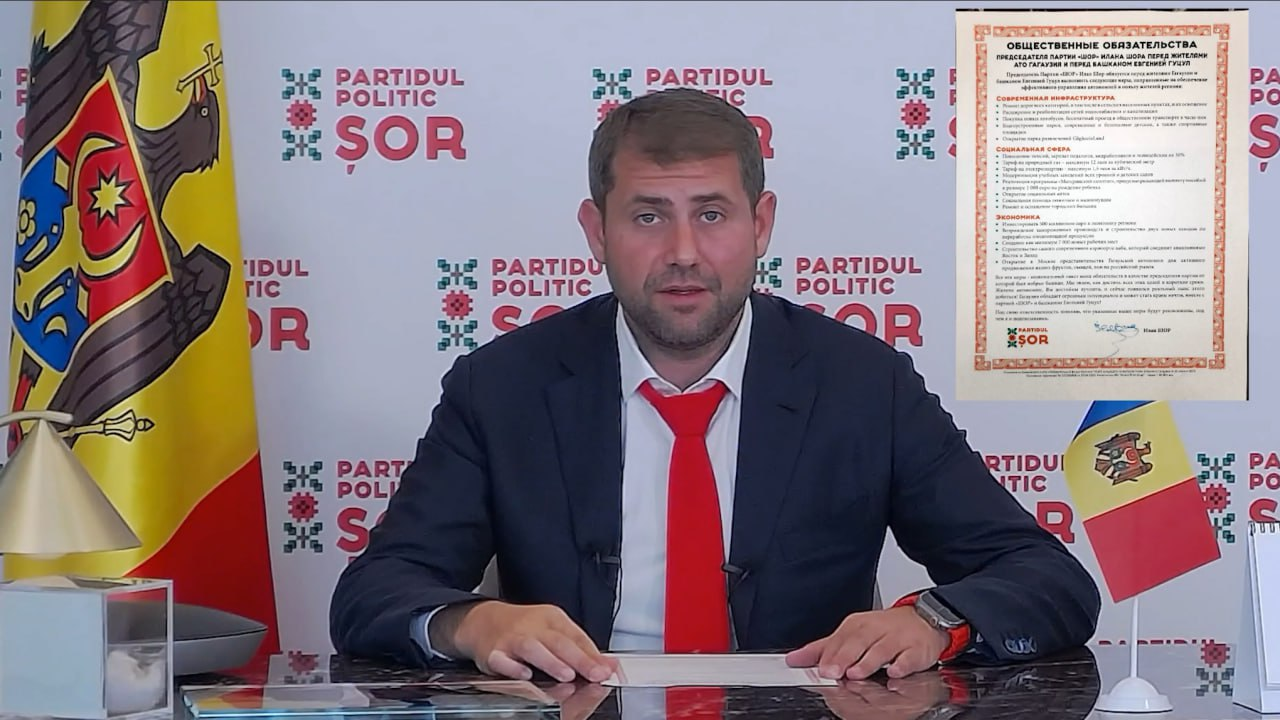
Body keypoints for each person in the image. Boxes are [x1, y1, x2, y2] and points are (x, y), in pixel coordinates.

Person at [329, 88, 1101, 685]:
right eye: (647, 217)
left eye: (712, 214)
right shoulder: (502, 387)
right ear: (596, 232)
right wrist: (473, 623)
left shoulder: (864, 385)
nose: (684, 252)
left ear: (761, 225)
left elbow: (1045, 579)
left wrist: (934, 621)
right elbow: (375, 591)